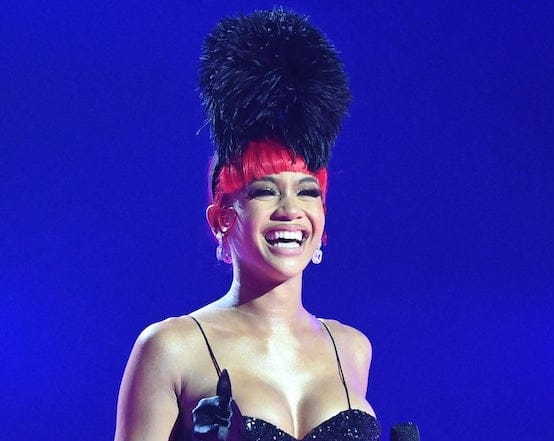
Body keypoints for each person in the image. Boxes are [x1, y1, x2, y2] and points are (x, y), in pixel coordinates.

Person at [114, 8, 380, 441]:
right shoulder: (170, 348)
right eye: (264, 191)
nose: (291, 210)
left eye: (308, 192)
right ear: (222, 219)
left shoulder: (351, 348)